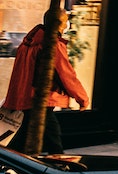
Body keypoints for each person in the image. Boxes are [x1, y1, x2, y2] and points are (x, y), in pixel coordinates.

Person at [3, 10, 89, 154]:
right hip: (42, 98)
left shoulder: (28, 43)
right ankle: (59, 166)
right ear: (59, 24)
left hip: (26, 98)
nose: (68, 23)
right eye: (66, 19)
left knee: (26, 136)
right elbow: (66, 74)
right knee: (52, 138)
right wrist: (82, 99)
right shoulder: (51, 44)